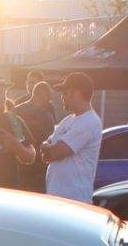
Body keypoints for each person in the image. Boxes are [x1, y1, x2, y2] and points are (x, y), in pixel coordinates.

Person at [40, 71, 103, 203]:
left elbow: (56, 153)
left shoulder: (90, 121)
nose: (62, 97)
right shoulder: (68, 120)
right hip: (58, 198)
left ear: (77, 93)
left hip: (75, 200)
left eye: (65, 92)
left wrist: (47, 148)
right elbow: (46, 152)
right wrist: (48, 148)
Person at [11, 81, 58, 193]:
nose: (48, 101)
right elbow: (51, 138)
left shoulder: (15, 111)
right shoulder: (45, 114)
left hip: (18, 164)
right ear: (43, 95)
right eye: (47, 97)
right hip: (39, 167)